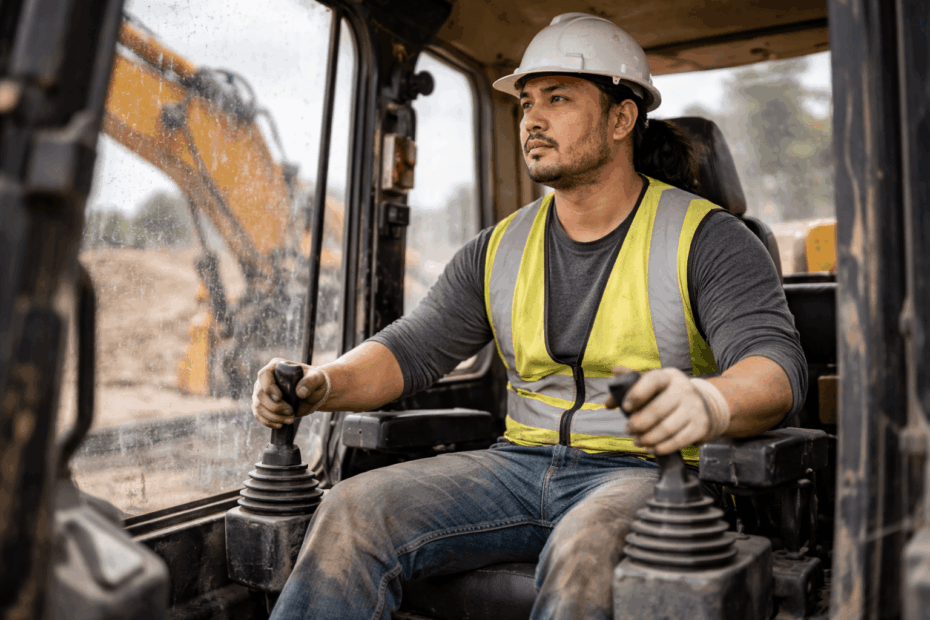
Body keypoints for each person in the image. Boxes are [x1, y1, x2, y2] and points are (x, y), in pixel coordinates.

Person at [253, 12, 806, 620]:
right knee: (350, 510)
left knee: (586, 549)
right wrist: (322, 384)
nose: (532, 120)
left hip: (650, 474)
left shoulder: (708, 238)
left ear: (621, 119)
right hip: (517, 465)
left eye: (557, 99)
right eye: (526, 103)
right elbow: (411, 349)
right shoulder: (499, 247)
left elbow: (774, 368)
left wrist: (707, 402)